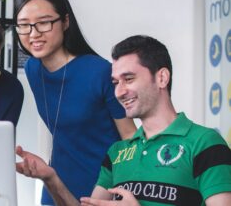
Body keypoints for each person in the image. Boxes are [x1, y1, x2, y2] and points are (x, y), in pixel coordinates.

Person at [16, 35, 231, 205]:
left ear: (162, 78)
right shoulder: (117, 153)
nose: (119, 92)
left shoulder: (205, 143)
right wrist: (51, 178)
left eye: (128, 79)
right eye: (115, 82)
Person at [13, 0, 136, 204]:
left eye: (44, 23)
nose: (33, 34)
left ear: (66, 21)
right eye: (24, 25)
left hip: (104, 187)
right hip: (56, 186)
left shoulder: (99, 72)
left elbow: (130, 138)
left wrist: (118, 189)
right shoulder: (33, 69)